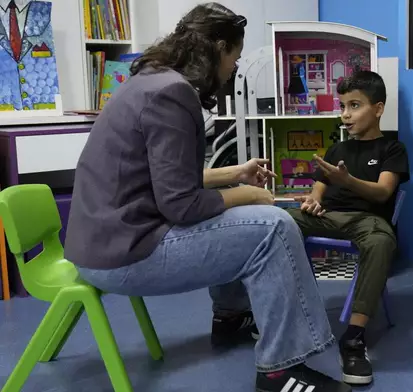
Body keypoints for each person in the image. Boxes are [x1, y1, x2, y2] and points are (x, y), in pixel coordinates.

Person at [64, 3, 351, 391]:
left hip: (99, 245)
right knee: (274, 228)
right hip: (124, 256)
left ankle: (231, 316)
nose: (233, 69)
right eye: (234, 57)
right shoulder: (173, 94)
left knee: (242, 217)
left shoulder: (148, 80)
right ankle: (280, 370)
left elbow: (162, 179)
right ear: (217, 48)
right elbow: (180, 205)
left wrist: (232, 174)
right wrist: (246, 193)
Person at [289, 71, 410, 385]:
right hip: (329, 216)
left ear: (378, 109)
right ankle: (278, 314)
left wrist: (347, 181)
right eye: (343, 106)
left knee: (383, 241)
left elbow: (384, 192)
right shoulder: (337, 150)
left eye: (354, 105)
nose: (345, 114)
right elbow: (318, 187)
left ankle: (354, 339)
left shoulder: (392, 150)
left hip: (369, 221)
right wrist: (312, 202)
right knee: (276, 220)